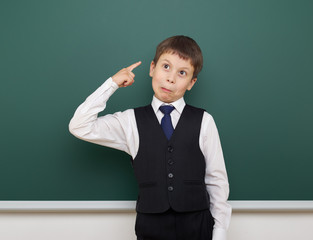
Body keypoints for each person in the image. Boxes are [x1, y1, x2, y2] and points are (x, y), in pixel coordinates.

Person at [69, 35, 231, 240]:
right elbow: (79, 126)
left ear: (191, 83)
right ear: (152, 68)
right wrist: (112, 84)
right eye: (166, 67)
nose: (171, 78)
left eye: (182, 73)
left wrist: (220, 233)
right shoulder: (129, 121)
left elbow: (217, 180)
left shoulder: (204, 121)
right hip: (151, 227)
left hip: (198, 226)